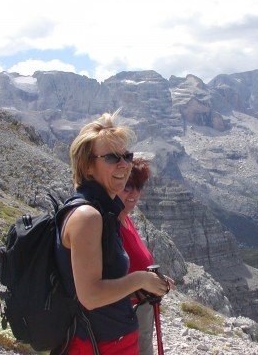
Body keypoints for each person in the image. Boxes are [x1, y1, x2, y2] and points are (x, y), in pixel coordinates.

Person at [55, 111, 170, 355]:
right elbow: (91, 296)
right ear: (87, 166)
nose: (124, 165)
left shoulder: (104, 213)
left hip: (111, 341)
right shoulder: (88, 217)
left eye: (126, 156)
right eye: (111, 157)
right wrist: (140, 279)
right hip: (97, 346)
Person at [117, 158, 167, 355]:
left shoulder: (126, 219)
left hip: (139, 313)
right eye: (128, 187)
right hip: (124, 319)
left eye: (139, 187)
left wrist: (158, 283)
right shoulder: (109, 225)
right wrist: (144, 286)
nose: (135, 194)